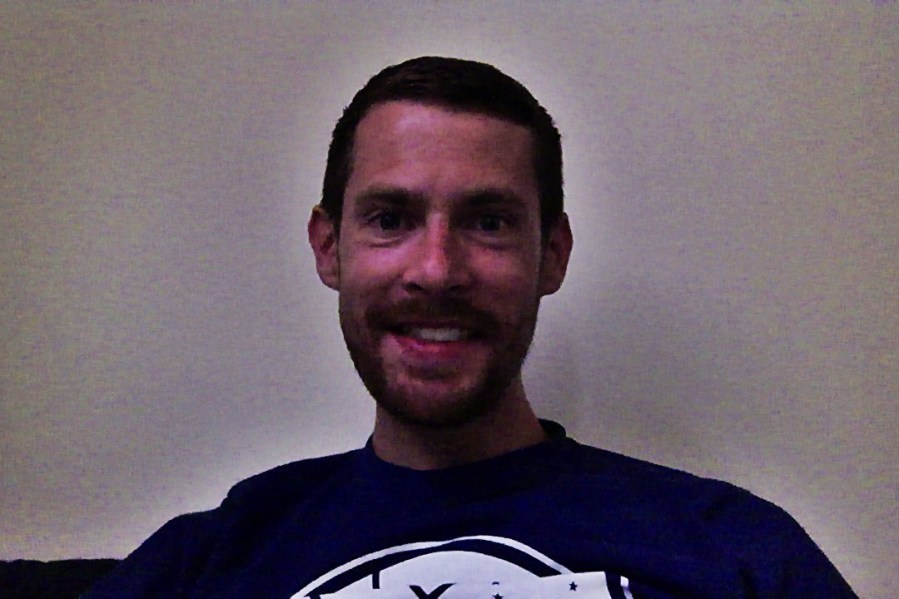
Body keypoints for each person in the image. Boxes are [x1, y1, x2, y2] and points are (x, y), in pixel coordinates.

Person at [85, 56, 857, 598]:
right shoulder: (211, 558)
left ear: (551, 254)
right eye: (390, 218)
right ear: (328, 248)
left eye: (487, 221)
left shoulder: (736, 550)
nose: (436, 269)